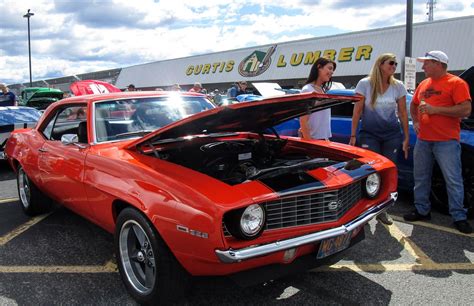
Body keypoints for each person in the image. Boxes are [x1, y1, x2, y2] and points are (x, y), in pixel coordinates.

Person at [403, 50, 472, 234]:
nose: (423, 66)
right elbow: (414, 104)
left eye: (426, 63)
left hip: (447, 141)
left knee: (453, 180)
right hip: (424, 140)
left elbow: (465, 109)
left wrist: (436, 110)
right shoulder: (424, 83)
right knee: (421, 177)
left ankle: (459, 216)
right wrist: (416, 121)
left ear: (438, 64)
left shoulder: (456, 83)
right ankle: (422, 210)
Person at [349, 53, 410, 225]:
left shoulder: (398, 86)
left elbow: (403, 113)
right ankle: (365, 208)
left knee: (388, 171)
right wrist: (353, 135)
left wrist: (406, 137)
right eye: (391, 63)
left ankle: (383, 210)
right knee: (370, 170)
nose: (394, 66)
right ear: (381, 64)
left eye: (396, 64)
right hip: (370, 134)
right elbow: (357, 111)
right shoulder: (365, 84)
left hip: (392, 134)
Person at [299, 57, 336, 141]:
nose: (332, 72)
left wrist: (326, 139)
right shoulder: (307, 90)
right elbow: (303, 120)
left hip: (324, 140)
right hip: (313, 140)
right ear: (319, 67)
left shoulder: (322, 90)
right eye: (329, 68)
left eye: (332, 70)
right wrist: (309, 143)